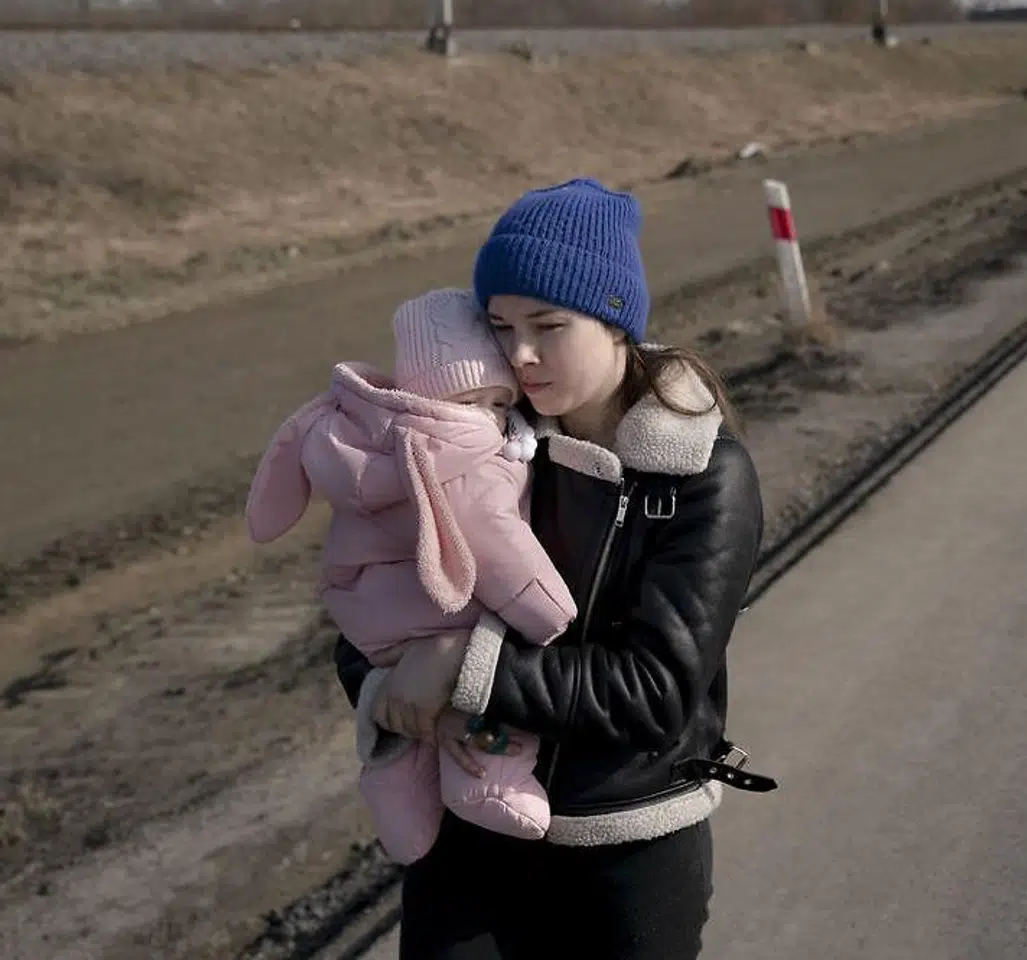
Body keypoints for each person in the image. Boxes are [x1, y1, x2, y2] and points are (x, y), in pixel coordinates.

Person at [332, 178, 775, 959]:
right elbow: (370, 596)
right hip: (471, 837)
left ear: (617, 324)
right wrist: (387, 686)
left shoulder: (702, 477)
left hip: (627, 848)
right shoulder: (475, 451)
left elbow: (654, 690)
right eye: (500, 326)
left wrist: (458, 668)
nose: (521, 354)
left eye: (549, 324)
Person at [246, 288, 578, 864]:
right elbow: (502, 552)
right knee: (482, 721)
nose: (496, 418)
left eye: (500, 404)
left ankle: (395, 796)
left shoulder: (353, 434)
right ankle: (488, 783)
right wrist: (551, 615)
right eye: (486, 402)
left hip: (369, 618)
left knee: (405, 736)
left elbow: (277, 483)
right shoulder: (460, 455)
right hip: (446, 611)